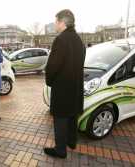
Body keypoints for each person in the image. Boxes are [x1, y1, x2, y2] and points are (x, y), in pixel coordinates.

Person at [44, 9, 86, 158]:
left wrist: (49, 81)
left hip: (62, 88)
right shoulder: (79, 40)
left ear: (62, 22)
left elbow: (52, 66)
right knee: (72, 115)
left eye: (56, 21)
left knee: (60, 118)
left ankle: (60, 150)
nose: (55, 24)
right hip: (76, 86)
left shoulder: (61, 40)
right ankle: (72, 141)